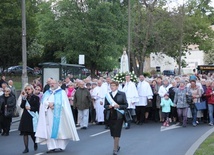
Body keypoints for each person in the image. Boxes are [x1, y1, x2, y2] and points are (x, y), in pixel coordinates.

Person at [35, 79, 79, 153]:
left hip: (60, 117)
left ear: (57, 84)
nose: (52, 85)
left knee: (60, 131)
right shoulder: (47, 92)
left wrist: (55, 104)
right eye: (50, 84)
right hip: (48, 116)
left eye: (53, 83)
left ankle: (61, 146)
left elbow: (65, 104)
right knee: (49, 131)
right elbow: (43, 102)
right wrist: (48, 104)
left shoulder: (62, 93)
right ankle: (51, 147)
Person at [104, 81, 128, 155]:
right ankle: (117, 146)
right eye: (111, 86)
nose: (112, 87)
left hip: (119, 115)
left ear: (117, 86)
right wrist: (109, 106)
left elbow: (126, 105)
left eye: (113, 85)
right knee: (113, 133)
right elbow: (105, 105)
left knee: (117, 132)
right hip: (111, 115)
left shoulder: (122, 94)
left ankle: (115, 149)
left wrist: (119, 106)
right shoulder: (108, 95)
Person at [18, 84, 40, 153]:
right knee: (25, 133)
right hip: (25, 116)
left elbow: (37, 107)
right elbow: (22, 106)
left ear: (32, 90)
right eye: (26, 89)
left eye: (29, 89)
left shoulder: (35, 97)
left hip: (32, 116)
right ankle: (26, 148)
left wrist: (31, 108)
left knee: (32, 133)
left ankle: (35, 143)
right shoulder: (25, 97)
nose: (27, 91)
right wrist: (23, 98)